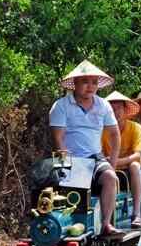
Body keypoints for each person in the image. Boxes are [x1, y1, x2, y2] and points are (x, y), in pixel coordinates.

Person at [48, 60, 122, 236]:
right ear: (75, 83)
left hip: (95, 157)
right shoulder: (61, 106)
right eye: (85, 82)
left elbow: (114, 135)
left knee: (110, 177)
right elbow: (58, 139)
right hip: (69, 158)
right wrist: (66, 167)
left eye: (94, 82)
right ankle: (68, 226)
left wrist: (112, 164)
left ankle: (106, 225)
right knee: (71, 192)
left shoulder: (103, 105)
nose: (91, 86)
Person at [102, 91, 141, 228]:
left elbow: (137, 155)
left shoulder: (136, 127)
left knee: (135, 166)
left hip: (130, 167)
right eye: (112, 109)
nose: (115, 112)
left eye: (118, 108)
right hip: (109, 166)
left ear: (125, 110)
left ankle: (137, 213)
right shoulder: (102, 129)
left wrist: (117, 161)